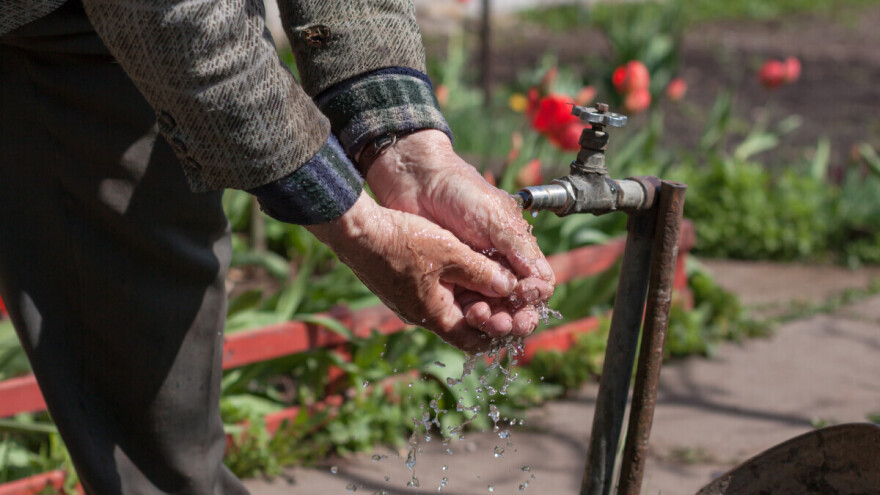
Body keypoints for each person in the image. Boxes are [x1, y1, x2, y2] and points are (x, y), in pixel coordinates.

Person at [0, 1, 555, 493]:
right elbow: (180, 17)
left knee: (157, 413)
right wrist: (353, 222)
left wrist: (406, 146)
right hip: (61, 28)